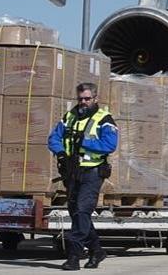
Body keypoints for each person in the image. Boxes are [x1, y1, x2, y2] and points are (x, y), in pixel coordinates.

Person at [48, 82, 118, 271]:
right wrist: (60, 152)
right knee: (76, 214)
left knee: (81, 211)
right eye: (80, 99)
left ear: (95, 99)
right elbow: (54, 137)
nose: (83, 102)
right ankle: (97, 250)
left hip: (93, 172)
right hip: (72, 172)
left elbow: (110, 144)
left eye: (87, 99)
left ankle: (73, 256)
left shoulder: (105, 119)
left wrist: (85, 142)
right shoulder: (69, 117)